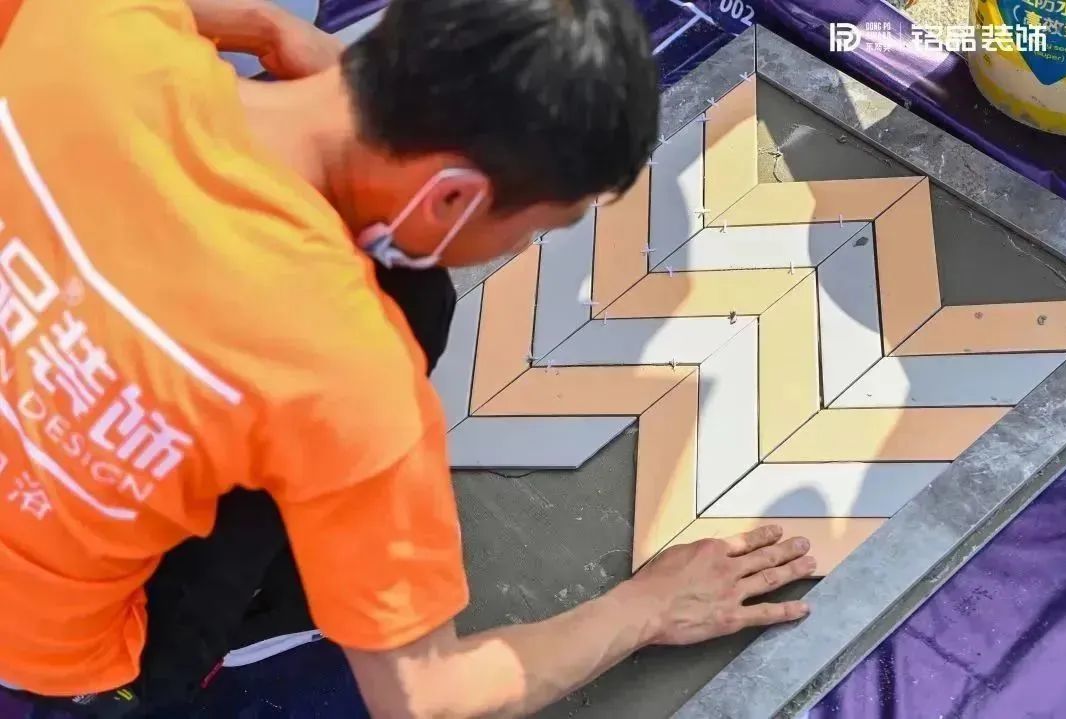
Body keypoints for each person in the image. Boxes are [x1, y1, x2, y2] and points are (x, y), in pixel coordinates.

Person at [0, 0, 817, 716]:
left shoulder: (89, 26)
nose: (521, 245)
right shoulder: (343, 371)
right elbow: (426, 695)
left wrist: (263, 27)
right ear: (452, 195)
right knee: (398, 317)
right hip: (42, 658)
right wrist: (648, 606)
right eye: (535, 225)